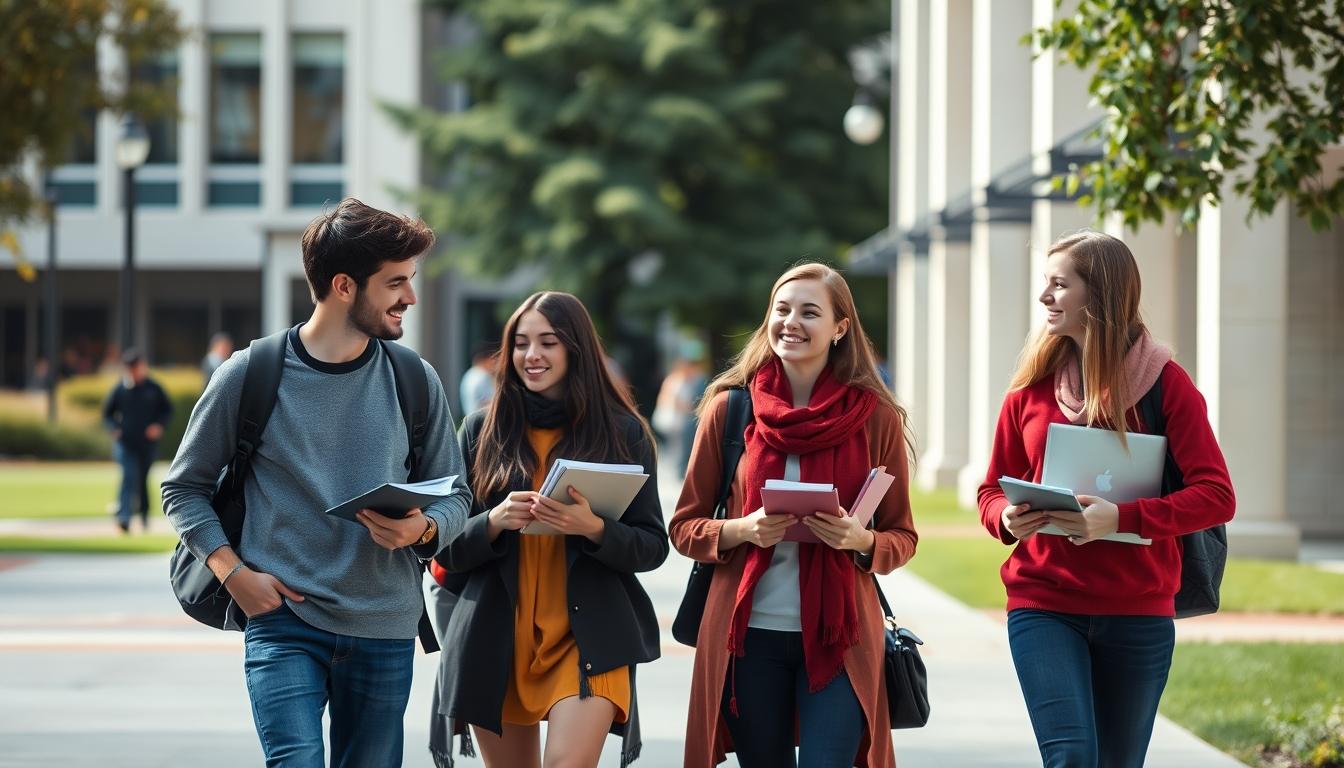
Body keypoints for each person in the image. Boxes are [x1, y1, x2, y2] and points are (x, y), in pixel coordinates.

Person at [161, 198, 472, 768]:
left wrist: (423, 528)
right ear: (345, 286)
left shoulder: (414, 379)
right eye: (396, 282)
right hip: (283, 621)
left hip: (384, 626)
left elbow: (458, 496)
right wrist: (234, 575)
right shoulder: (251, 373)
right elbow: (182, 488)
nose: (411, 297)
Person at [977, 230, 1235, 768]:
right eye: (1044, 284)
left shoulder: (1168, 386)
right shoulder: (1029, 389)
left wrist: (1121, 517)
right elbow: (989, 489)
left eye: (1058, 284)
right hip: (1043, 604)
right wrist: (1007, 517)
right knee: (1070, 756)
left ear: (1100, 294)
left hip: (1137, 608)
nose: (1044, 297)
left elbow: (1216, 496)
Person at [669, 262, 918, 768]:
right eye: (782, 310)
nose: (792, 322)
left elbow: (902, 536)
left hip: (840, 639)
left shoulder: (875, 418)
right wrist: (742, 529)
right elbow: (684, 527)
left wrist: (861, 540)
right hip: (747, 641)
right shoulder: (730, 410)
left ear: (840, 327)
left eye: (810, 312)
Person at [429, 291, 668, 768]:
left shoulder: (622, 433)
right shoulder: (481, 429)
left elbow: (652, 546)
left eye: (548, 342)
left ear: (574, 349)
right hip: (497, 636)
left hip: (589, 638)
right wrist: (492, 523)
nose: (531, 355)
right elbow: (441, 545)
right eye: (520, 343)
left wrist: (595, 529)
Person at [102, 349, 173, 533]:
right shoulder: (120, 389)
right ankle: (124, 516)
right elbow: (107, 414)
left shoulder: (154, 388)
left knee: (142, 479)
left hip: (147, 444)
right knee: (128, 476)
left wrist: (158, 425)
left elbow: (167, 410)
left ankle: (144, 514)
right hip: (125, 443)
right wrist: (114, 428)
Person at [458, 342, 497, 415]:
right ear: (486, 359)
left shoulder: (470, 374)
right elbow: (488, 403)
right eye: (493, 359)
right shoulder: (482, 376)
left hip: (472, 420)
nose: (495, 363)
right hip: (483, 422)